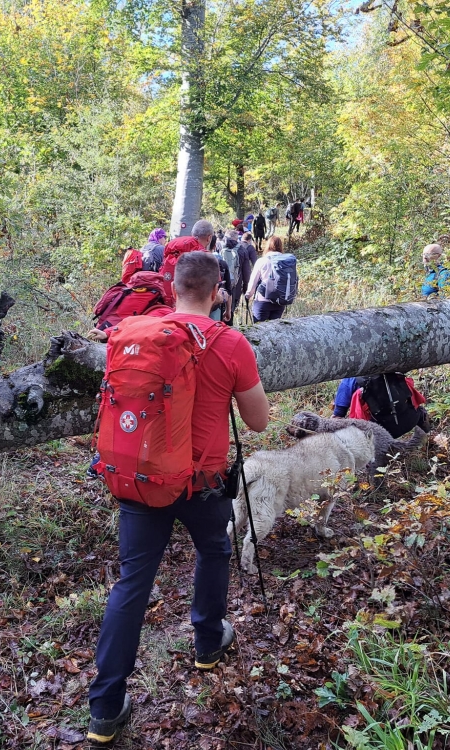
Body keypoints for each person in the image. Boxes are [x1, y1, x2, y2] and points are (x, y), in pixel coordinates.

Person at [86, 251, 270, 745]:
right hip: (203, 484)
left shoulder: (142, 334)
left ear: (172, 287)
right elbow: (258, 422)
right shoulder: (230, 342)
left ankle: (105, 707)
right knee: (213, 550)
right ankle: (208, 643)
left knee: (132, 583)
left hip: (144, 479)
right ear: (218, 292)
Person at [245, 236, 288, 323]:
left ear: (268, 246)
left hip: (262, 301)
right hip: (280, 302)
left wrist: (248, 295)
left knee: (259, 330)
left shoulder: (262, 261)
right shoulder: (286, 261)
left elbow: (253, 281)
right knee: (274, 330)